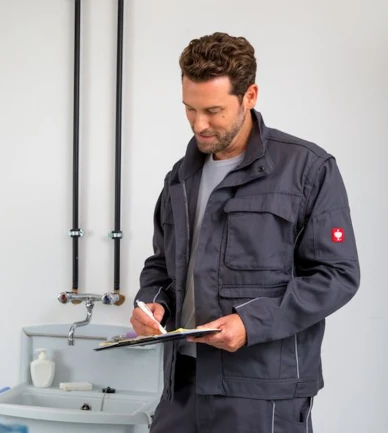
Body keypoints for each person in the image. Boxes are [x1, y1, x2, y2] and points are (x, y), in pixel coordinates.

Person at [130, 32, 360, 433]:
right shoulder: (180, 178)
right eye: (190, 109)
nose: (199, 125)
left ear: (250, 95)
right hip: (182, 384)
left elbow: (336, 275)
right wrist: (151, 303)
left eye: (213, 111)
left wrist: (251, 323)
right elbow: (162, 265)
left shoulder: (307, 169)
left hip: (262, 389)